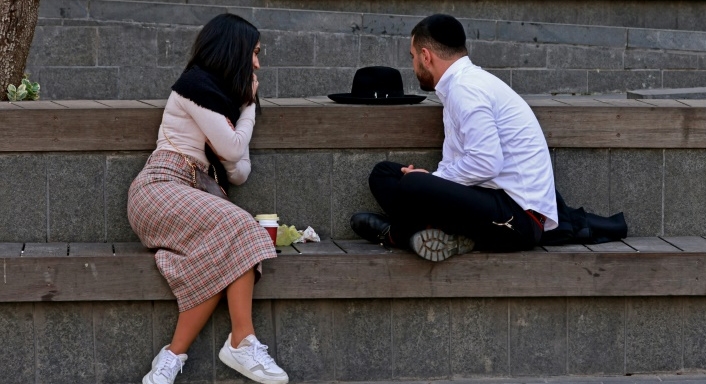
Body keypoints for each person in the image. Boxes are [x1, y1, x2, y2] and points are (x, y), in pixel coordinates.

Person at [127, 14, 288, 384]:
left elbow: (239, 170)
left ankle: (169, 358)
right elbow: (233, 148)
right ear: (235, 50)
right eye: (255, 53)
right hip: (159, 188)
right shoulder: (193, 87)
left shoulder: (223, 102)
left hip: (195, 197)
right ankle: (241, 342)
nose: (258, 63)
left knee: (226, 252)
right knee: (241, 227)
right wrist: (248, 108)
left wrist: (242, 110)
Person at [351, 14, 558, 261]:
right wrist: (434, 181)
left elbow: (487, 163)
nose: (414, 65)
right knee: (384, 174)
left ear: (426, 56)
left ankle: (396, 234)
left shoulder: (466, 89)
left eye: (413, 57)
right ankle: (441, 235)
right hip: (489, 199)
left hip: (518, 220)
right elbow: (459, 163)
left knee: (412, 186)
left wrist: (433, 179)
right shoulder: (456, 87)